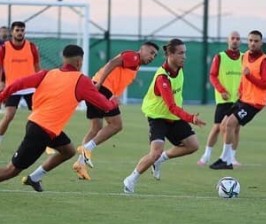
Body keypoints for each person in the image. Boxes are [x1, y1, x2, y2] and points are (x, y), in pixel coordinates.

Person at [0, 45, 118, 192]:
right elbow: (105, 106)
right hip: (41, 132)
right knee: (11, 170)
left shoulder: (48, 73)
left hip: (41, 126)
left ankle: (34, 178)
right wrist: (113, 101)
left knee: (68, 151)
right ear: (79, 62)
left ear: (64, 59)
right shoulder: (81, 80)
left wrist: (2, 96)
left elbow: (18, 83)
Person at [123, 38, 206, 193]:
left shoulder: (179, 69)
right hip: (158, 117)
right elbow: (171, 106)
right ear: (170, 54)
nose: (184, 56)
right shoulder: (162, 78)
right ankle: (130, 179)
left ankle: (161, 159)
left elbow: (175, 106)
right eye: (181, 53)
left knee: (193, 145)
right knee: (154, 152)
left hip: (174, 117)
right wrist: (191, 118)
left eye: (185, 53)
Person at [72, 41, 159, 180]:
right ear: (142, 50)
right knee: (116, 125)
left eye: (155, 55)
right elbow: (112, 63)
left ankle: (80, 163)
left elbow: (117, 76)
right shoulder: (133, 57)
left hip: (99, 87)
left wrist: (111, 94)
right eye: (151, 52)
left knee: (95, 128)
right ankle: (87, 148)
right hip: (101, 88)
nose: (152, 57)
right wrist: (100, 84)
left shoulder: (135, 65)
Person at [209, 30, 266, 170]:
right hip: (244, 99)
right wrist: (240, 89)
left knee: (231, 124)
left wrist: (250, 77)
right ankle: (226, 159)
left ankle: (226, 160)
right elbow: (244, 78)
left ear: (261, 43)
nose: (253, 43)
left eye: (256, 41)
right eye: (250, 40)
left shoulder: (264, 60)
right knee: (224, 124)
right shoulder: (245, 57)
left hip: (255, 102)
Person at [197, 31, 243, 166]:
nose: (235, 41)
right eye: (232, 38)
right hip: (224, 99)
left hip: (239, 99)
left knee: (236, 128)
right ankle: (206, 155)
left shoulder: (244, 57)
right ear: (228, 41)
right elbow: (212, 75)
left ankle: (232, 157)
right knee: (217, 127)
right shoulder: (220, 57)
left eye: (237, 39)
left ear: (240, 41)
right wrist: (221, 90)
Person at [0, 21, 40, 145]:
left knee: (40, 116)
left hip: (30, 87)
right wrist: (1, 83)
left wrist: (40, 83)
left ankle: (46, 141)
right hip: (13, 87)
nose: (20, 33)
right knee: (8, 116)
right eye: (17, 30)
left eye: (22, 30)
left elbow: (37, 66)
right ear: (12, 32)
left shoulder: (31, 47)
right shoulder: (4, 48)